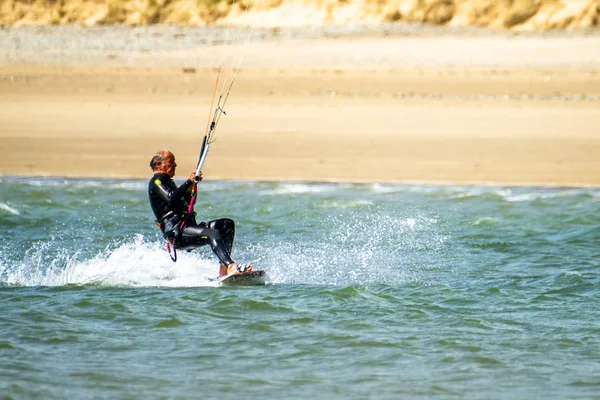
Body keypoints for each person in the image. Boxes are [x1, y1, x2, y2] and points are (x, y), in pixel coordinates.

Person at [148, 150, 252, 277]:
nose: (175, 165)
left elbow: (187, 201)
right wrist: (188, 181)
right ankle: (231, 265)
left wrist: (193, 186)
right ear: (159, 165)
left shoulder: (170, 182)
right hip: (178, 234)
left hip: (189, 228)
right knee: (212, 233)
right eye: (171, 162)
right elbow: (171, 198)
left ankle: (224, 269)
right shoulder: (156, 182)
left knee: (226, 224)